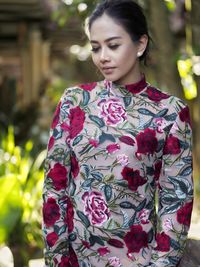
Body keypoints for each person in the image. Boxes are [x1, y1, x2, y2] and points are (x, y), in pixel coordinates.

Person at [42, 0, 193, 266]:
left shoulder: (170, 112)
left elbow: (176, 200)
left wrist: (161, 264)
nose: (103, 57)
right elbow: (55, 188)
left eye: (113, 45)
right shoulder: (74, 102)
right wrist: (57, 258)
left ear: (140, 44)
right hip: (76, 260)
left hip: (140, 260)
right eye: (96, 47)